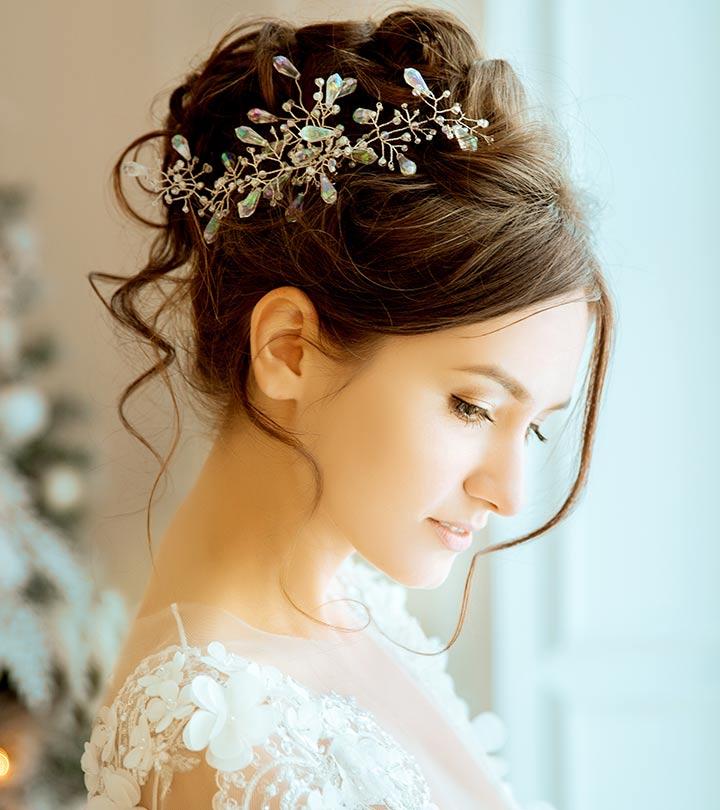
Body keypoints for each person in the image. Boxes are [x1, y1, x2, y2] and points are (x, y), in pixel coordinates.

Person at [82, 6, 615, 809]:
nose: (509, 493)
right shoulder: (225, 749)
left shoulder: (358, 611)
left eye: (534, 424)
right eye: (472, 407)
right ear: (290, 349)